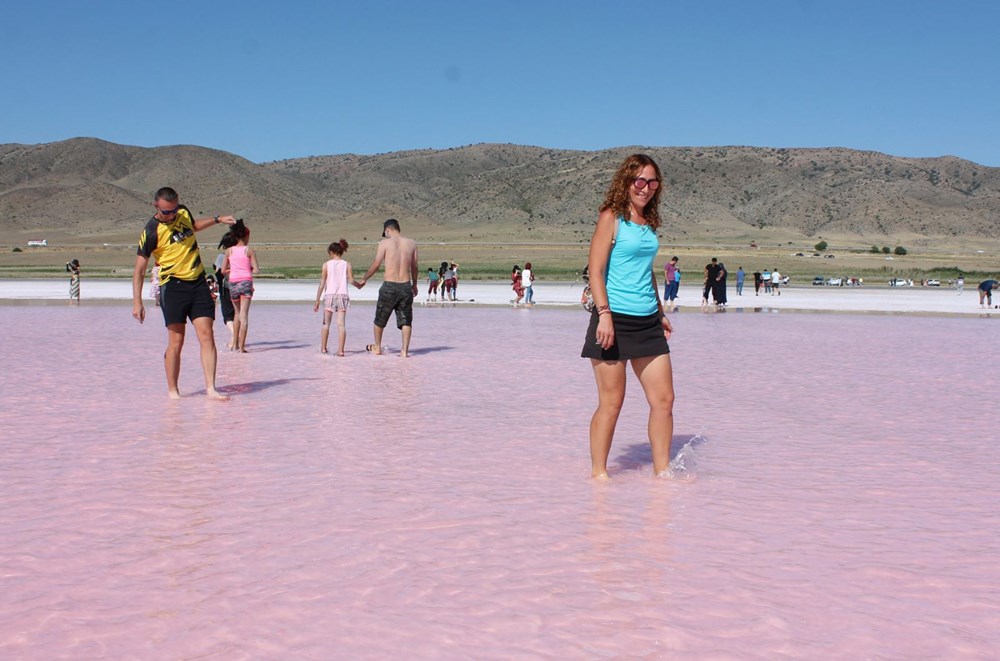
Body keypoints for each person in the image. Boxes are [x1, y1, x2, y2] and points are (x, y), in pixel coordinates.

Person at [582, 154, 674, 479]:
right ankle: (599, 475)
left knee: (664, 399)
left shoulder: (648, 223)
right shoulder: (612, 217)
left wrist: (660, 311)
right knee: (612, 403)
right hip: (614, 319)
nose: (645, 188)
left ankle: (663, 473)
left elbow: (645, 271)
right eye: (639, 181)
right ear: (626, 182)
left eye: (652, 182)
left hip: (647, 320)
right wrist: (603, 314)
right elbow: (595, 271)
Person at [131, 186, 236, 400]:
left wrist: (217, 219)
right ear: (156, 206)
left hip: (197, 283)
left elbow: (194, 225)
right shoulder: (151, 231)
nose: (171, 215)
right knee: (176, 341)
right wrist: (137, 302)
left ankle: (211, 388)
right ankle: (173, 391)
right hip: (173, 287)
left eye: (174, 210)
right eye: (166, 212)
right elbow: (140, 269)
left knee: (207, 335)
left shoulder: (182, 213)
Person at [356, 218, 419, 357]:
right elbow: (414, 267)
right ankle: (404, 351)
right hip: (405, 286)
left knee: (380, 319)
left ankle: (377, 347)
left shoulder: (385, 243)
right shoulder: (411, 243)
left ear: (387, 230)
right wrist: (414, 284)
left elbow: (376, 264)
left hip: (389, 286)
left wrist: (364, 278)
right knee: (406, 320)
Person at [220, 220, 259, 353]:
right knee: (244, 315)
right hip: (246, 283)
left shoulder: (229, 251)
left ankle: (235, 344)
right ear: (246, 236)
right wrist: (247, 267)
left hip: (233, 283)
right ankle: (242, 347)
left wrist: (233, 270)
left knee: (236, 314)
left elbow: (222, 270)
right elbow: (256, 270)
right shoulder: (249, 251)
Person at [314, 239, 358, 355]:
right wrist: (359, 285)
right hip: (343, 296)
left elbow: (322, 283)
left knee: (326, 324)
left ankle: (323, 348)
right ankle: (341, 351)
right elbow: (352, 280)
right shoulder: (347, 264)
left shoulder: (326, 265)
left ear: (332, 252)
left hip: (329, 296)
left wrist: (317, 299)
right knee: (341, 325)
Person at [214, 233, 237, 349]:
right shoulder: (240, 256)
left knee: (227, 315)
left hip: (226, 287)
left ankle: (234, 335)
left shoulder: (221, 257)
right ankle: (234, 339)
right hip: (239, 286)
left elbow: (218, 271)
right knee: (237, 313)